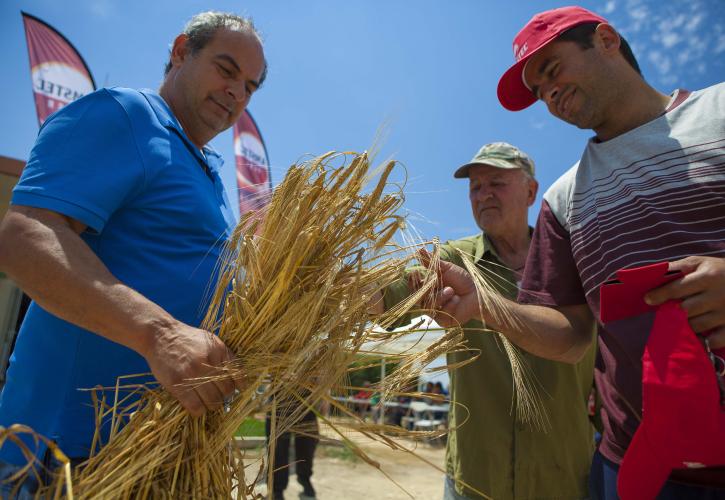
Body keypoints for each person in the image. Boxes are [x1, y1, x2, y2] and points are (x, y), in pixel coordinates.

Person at [432, 6, 724, 498]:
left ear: (607, 40)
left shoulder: (718, 114)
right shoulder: (565, 199)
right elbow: (570, 335)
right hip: (639, 466)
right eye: (539, 91)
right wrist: (484, 306)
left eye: (552, 70)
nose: (549, 94)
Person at [0, 10, 267, 494]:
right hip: (67, 458)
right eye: (227, 70)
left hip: (152, 454)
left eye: (251, 86)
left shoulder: (205, 170)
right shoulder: (127, 115)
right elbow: (26, 238)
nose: (238, 93)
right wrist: (159, 335)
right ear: (182, 51)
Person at [371, 142, 596, 499]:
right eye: (475, 187)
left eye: (496, 182)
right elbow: (394, 288)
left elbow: (592, 344)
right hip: (477, 480)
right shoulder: (455, 259)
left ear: (531, 191)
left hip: (563, 478)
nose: (483, 194)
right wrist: (332, 292)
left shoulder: (573, 261)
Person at [265, 407, 319, 500]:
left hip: (307, 401)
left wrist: (325, 395)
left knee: (307, 443)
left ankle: (304, 478)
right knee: (278, 447)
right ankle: (276, 490)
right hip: (279, 401)